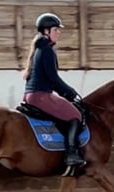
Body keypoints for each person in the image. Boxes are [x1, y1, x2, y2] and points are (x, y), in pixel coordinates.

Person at [23, 13, 86, 167]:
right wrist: (71, 93)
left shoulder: (41, 47)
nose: (59, 33)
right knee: (76, 115)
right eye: (56, 29)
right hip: (41, 96)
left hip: (33, 95)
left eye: (59, 30)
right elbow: (53, 79)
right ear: (46, 31)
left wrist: (66, 94)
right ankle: (71, 154)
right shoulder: (47, 50)